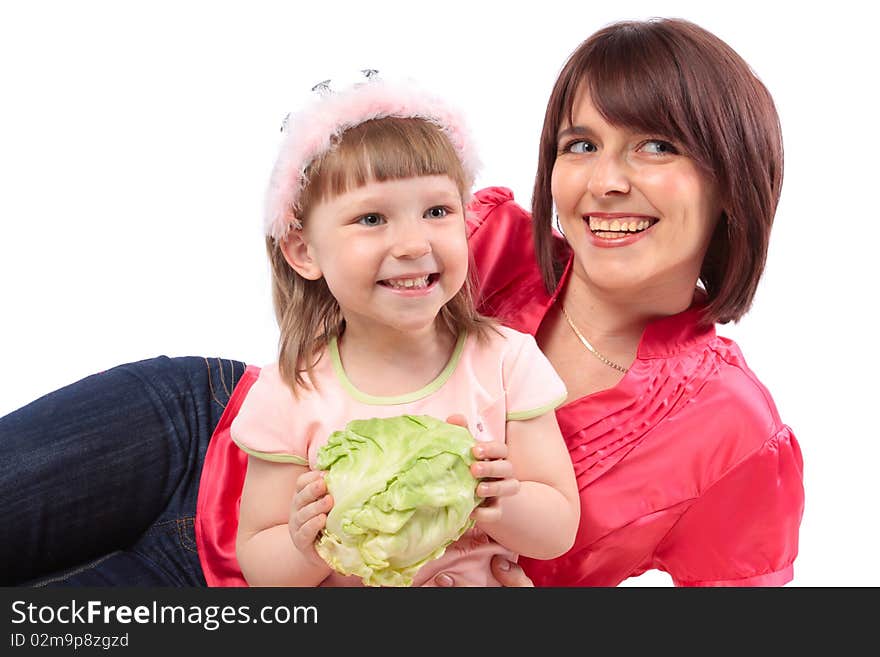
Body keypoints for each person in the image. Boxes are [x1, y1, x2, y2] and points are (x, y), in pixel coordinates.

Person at [1, 17, 803, 588]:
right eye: (581, 144)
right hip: (198, 428)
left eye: (657, 145)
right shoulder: (480, 237)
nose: (606, 180)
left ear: (734, 178)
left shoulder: (736, 436)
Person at [229, 75, 579, 586]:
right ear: (305, 252)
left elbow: (558, 530)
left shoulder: (505, 362)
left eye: (437, 211)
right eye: (371, 218)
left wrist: (507, 501)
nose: (414, 243)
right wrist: (301, 544)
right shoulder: (291, 389)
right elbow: (259, 561)